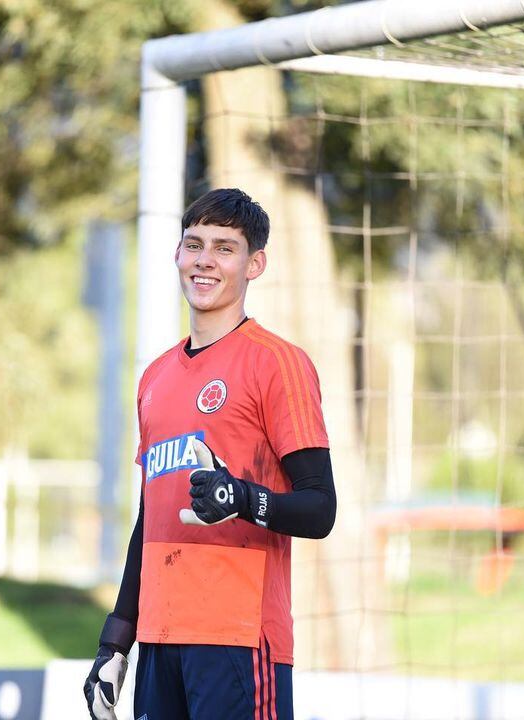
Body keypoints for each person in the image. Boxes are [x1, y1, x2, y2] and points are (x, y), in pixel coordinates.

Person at [84, 188, 337, 720]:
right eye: (193, 244)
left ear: (255, 264)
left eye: (225, 248)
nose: (204, 261)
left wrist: (243, 498)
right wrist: (115, 642)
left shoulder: (278, 364)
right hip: (159, 639)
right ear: (177, 254)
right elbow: (148, 520)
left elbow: (320, 509)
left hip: (239, 641)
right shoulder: (155, 377)